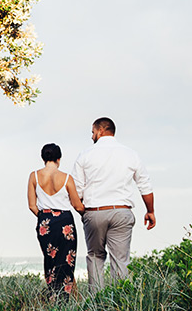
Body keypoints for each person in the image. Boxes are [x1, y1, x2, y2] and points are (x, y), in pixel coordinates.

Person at [72, 117, 155, 295]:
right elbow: (145, 186)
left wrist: (84, 213)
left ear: (100, 131)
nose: (92, 136)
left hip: (95, 212)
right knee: (120, 260)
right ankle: (120, 304)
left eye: (93, 132)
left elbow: (76, 191)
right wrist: (150, 211)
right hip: (121, 211)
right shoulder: (131, 154)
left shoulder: (85, 155)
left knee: (95, 256)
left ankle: (97, 303)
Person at [27, 142, 85, 299]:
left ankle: (52, 293)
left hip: (45, 221)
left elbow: (32, 206)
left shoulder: (34, 176)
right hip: (65, 221)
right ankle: (64, 299)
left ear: (43, 158)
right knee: (67, 261)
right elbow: (77, 205)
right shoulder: (66, 178)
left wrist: (45, 217)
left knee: (50, 259)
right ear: (59, 158)